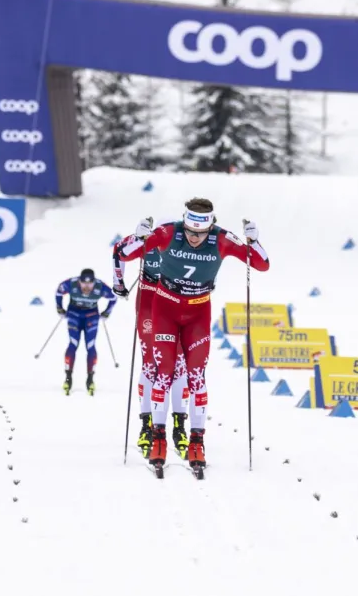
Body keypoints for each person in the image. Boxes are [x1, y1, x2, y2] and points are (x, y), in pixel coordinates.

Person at [117, 197, 269, 470]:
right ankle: (158, 437)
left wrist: (253, 242)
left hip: (198, 313)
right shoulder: (168, 232)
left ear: (210, 227)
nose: (194, 238)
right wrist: (137, 235)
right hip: (164, 310)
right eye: (190, 231)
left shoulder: (221, 239)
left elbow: (261, 264)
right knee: (163, 372)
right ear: (183, 223)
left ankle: (197, 442)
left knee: (196, 375)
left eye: (200, 233)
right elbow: (125, 253)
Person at [112, 231, 190, 460]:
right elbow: (118, 250)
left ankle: (179, 426)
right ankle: (147, 425)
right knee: (150, 365)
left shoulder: (187, 240)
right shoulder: (148, 239)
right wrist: (118, 283)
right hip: (148, 303)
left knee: (179, 366)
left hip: (176, 304)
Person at [55, 268, 116, 396]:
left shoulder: (100, 286)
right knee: (73, 344)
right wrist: (59, 308)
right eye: (84, 283)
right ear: (79, 281)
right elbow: (59, 291)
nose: (87, 286)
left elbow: (114, 297)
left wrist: (106, 313)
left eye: (90, 283)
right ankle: (68, 378)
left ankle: (90, 379)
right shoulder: (72, 283)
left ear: (94, 282)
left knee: (90, 346)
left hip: (91, 315)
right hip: (74, 314)